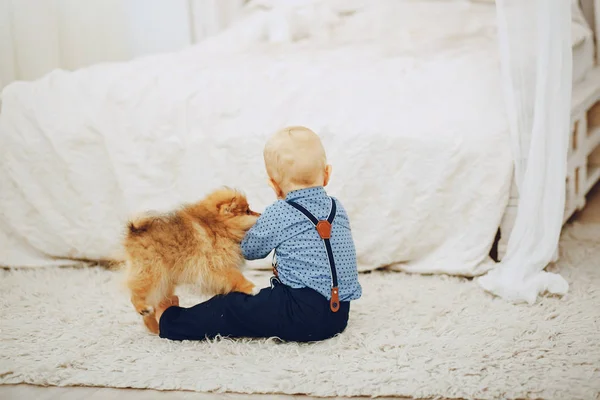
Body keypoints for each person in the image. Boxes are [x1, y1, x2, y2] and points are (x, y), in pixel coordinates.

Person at [156, 126, 362, 342]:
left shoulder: (280, 211)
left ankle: (170, 321)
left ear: (274, 185)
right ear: (327, 174)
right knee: (259, 304)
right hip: (338, 314)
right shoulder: (336, 207)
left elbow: (250, 250)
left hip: (299, 312)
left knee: (231, 306)